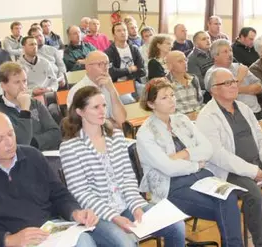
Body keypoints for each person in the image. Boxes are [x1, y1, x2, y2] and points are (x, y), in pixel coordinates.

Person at [60, 86, 186, 247]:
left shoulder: (116, 136)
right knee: (126, 245)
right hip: (98, 214)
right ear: (80, 112)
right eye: (96, 107)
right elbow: (81, 193)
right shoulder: (70, 148)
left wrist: (135, 206)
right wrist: (114, 216)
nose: (102, 111)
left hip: (126, 204)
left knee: (176, 226)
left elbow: (128, 177)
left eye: (104, 106)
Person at [196, 67, 262, 246]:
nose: (234, 85)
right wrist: (253, 172)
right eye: (227, 83)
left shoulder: (243, 108)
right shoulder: (207, 117)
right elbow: (219, 156)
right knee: (256, 197)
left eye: (234, 81)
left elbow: (261, 138)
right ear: (213, 89)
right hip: (229, 171)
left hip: (258, 163)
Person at [136, 78, 243, 247]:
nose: (172, 99)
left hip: (201, 176)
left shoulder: (182, 120)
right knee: (227, 209)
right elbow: (168, 169)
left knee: (229, 196)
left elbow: (207, 149)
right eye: (164, 97)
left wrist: (184, 153)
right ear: (151, 104)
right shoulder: (146, 133)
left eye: (172, 95)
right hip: (171, 186)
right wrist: (195, 163)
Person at [0, 111, 99, 247]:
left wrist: (75, 212)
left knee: (85, 242)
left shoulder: (33, 156)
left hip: (51, 233)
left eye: (10, 133)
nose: (9, 142)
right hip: (12, 241)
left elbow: (60, 195)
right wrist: (8, 240)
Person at [206, 39, 262, 152]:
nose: (230, 54)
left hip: (256, 111)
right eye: (225, 52)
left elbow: (259, 87)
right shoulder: (213, 73)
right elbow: (225, 95)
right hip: (236, 115)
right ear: (215, 56)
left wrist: (239, 88)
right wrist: (240, 78)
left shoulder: (239, 67)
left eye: (230, 50)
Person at [0, 62, 61, 151]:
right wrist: (25, 110)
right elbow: (20, 144)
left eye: (24, 81)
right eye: (17, 82)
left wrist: (35, 143)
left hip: (47, 154)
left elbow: (56, 132)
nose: (23, 87)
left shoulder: (35, 103)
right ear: (3, 86)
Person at [67, 51, 127, 127]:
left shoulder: (109, 85)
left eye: (107, 64)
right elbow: (78, 124)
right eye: (100, 64)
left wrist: (112, 90)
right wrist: (111, 122)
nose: (105, 68)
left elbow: (122, 121)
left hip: (113, 134)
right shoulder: (77, 90)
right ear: (88, 67)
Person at [105, 22, 146, 104]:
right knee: (129, 101)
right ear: (114, 35)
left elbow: (142, 70)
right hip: (118, 84)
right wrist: (129, 69)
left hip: (135, 82)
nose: (123, 33)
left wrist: (127, 75)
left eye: (124, 30)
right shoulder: (109, 52)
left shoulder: (134, 49)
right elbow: (111, 72)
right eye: (119, 31)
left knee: (150, 96)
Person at [166, 51, 203, 117]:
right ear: (170, 66)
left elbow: (199, 102)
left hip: (198, 117)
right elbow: (166, 110)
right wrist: (187, 117)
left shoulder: (193, 79)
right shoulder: (165, 83)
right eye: (180, 61)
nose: (185, 63)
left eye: (185, 60)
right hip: (179, 121)